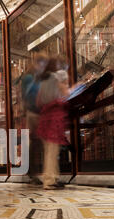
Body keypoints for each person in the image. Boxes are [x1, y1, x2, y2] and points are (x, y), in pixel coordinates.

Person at [35, 55, 70, 190]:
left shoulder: (43, 81)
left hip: (45, 118)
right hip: (54, 118)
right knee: (52, 151)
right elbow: (65, 94)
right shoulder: (56, 79)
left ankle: (53, 178)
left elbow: (38, 101)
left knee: (49, 151)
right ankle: (49, 181)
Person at [21, 52, 49, 184]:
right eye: (42, 64)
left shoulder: (38, 78)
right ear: (38, 63)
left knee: (37, 143)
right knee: (37, 143)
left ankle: (35, 173)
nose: (44, 67)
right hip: (34, 113)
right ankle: (33, 173)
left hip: (38, 113)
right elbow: (28, 97)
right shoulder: (29, 78)